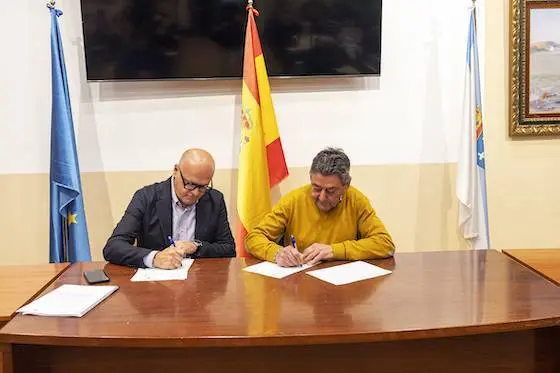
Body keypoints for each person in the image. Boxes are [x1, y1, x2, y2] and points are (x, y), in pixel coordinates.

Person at [245, 147, 394, 267]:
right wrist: (277, 253)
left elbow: (385, 244)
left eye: (330, 191)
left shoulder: (356, 201)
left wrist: (334, 250)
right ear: (310, 179)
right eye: (316, 188)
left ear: (345, 186)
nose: (322, 197)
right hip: (299, 285)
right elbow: (253, 238)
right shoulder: (294, 200)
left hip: (342, 287)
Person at [103, 149, 235, 269]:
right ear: (176, 170)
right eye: (189, 184)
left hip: (199, 282)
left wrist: (197, 247)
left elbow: (228, 249)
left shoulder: (214, 200)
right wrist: (154, 258)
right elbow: (113, 247)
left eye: (202, 187)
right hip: (155, 285)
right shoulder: (146, 197)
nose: (195, 193)